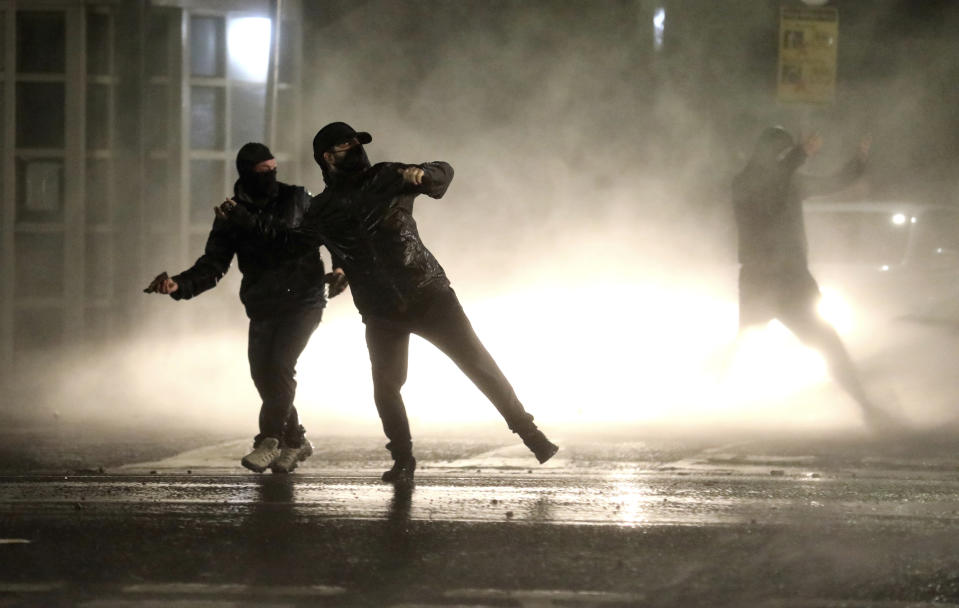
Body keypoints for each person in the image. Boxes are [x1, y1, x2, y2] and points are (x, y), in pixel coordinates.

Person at [218, 122, 558, 484]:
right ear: (327, 157)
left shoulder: (386, 176)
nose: (356, 148)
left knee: (478, 364)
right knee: (386, 386)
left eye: (357, 142)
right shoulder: (323, 210)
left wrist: (424, 174)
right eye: (346, 144)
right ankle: (403, 459)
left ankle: (531, 435)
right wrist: (244, 219)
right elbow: (286, 243)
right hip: (381, 312)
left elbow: (444, 172)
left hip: (429, 294)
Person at [145, 142, 347, 474]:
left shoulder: (296, 199)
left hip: (304, 298)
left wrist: (341, 268)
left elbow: (320, 234)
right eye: (262, 171)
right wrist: (178, 285)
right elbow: (213, 264)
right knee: (264, 375)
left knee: (280, 366)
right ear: (247, 174)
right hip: (263, 302)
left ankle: (268, 440)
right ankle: (295, 440)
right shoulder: (232, 215)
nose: (270, 176)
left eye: (273, 169)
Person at [732, 126, 888, 425]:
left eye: (786, 152)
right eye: (781, 151)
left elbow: (833, 182)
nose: (784, 158)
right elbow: (768, 182)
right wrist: (800, 153)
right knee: (745, 344)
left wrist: (858, 161)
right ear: (766, 153)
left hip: (791, 277)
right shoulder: (746, 182)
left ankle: (866, 405)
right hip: (761, 278)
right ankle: (700, 400)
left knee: (826, 339)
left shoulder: (791, 181)